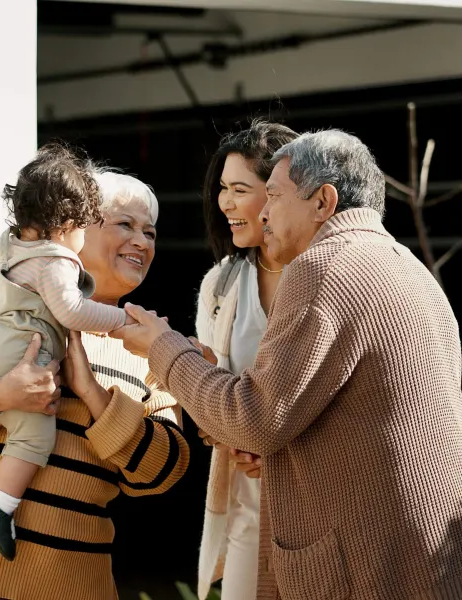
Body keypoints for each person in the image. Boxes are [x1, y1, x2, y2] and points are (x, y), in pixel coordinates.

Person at [113, 130, 462, 600]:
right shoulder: (410, 268)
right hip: (422, 554)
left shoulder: (323, 268)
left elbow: (254, 417)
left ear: (323, 201)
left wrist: (163, 346)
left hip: (359, 563)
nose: (262, 212)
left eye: (271, 196)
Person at [0, 165, 190, 600]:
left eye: (151, 232)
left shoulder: (147, 340)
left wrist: (92, 393)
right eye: (125, 224)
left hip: (74, 583)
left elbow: (162, 471)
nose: (142, 241)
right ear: (77, 226)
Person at [0, 145, 131, 561]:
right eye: (84, 228)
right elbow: (72, 309)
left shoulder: (3, 248)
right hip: (20, 364)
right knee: (33, 435)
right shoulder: (57, 261)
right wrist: (120, 321)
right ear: (67, 225)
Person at [194, 121, 298, 600]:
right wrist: (226, 431)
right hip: (246, 503)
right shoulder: (220, 285)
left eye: (240, 189)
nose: (226, 204)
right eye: (222, 190)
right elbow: (205, 394)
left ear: (280, 194)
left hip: (313, 498)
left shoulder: (326, 274)